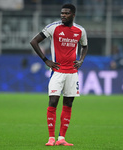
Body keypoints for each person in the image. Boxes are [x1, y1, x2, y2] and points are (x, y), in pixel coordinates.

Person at [30, 4, 88, 146]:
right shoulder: (53, 27)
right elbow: (34, 41)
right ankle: (51, 138)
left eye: (66, 13)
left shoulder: (80, 30)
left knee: (68, 103)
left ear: (73, 15)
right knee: (53, 102)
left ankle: (61, 138)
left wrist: (81, 60)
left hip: (72, 73)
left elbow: (85, 46)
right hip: (57, 72)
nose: (63, 15)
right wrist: (46, 60)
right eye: (62, 13)